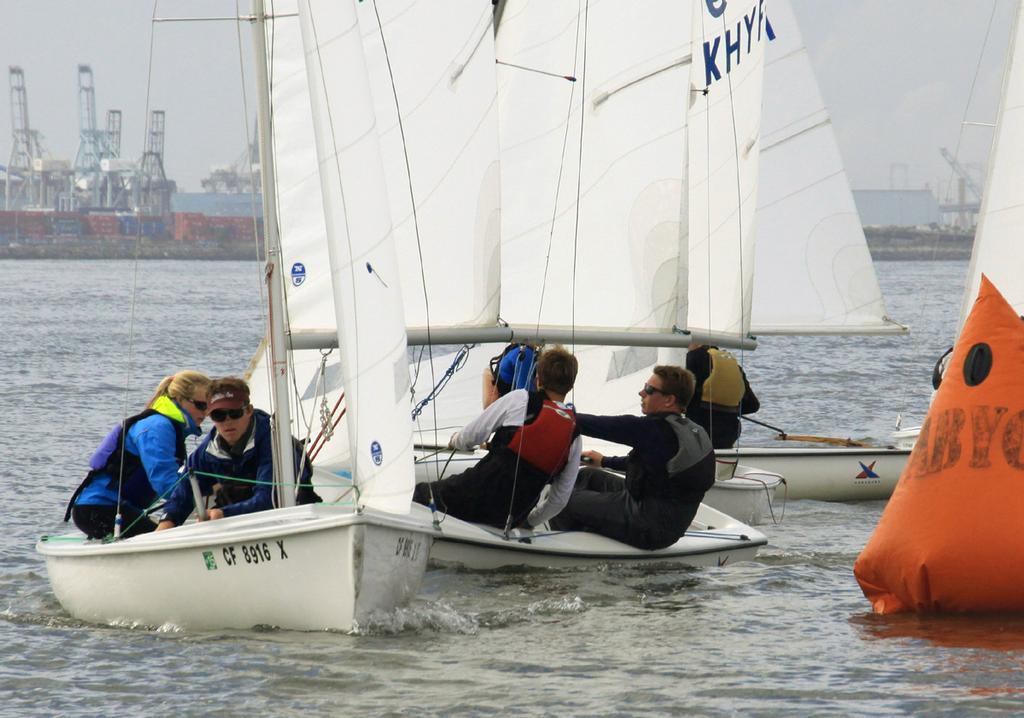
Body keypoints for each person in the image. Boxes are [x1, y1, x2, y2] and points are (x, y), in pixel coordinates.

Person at [415, 345, 581, 530]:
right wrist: (529, 521)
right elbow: (560, 499)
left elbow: (472, 436)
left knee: (420, 494)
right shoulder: (574, 435)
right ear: (570, 385)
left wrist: (455, 440)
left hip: (472, 495)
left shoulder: (520, 399)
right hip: (510, 517)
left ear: (538, 379)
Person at [550, 365, 715, 550]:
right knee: (586, 475)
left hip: (649, 526)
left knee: (561, 502)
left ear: (669, 400)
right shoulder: (686, 430)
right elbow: (650, 466)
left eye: (649, 390)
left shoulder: (654, 430)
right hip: (664, 517)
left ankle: (569, 551)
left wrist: (551, 412)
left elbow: (599, 425)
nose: (641, 393)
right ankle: (591, 526)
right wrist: (604, 461)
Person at [155, 376, 318, 530]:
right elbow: (182, 495)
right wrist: (165, 524)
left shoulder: (273, 442)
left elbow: (270, 499)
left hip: (293, 519)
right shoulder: (208, 451)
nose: (227, 422)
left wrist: (224, 514)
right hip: (235, 524)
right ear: (210, 416)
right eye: (219, 415)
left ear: (248, 410)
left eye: (234, 413)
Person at [65, 370, 211, 539]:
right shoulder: (158, 427)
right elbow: (165, 483)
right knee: (168, 537)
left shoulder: (168, 426)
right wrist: (205, 491)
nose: (206, 413)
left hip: (114, 508)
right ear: (179, 399)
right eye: (201, 405)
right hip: (100, 509)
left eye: (209, 406)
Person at [685, 343, 759, 449]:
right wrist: (728, 409)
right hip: (729, 434)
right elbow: (753, 405)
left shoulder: (694, 357)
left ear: (696, 342)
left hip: (699, 433)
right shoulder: (732, 364)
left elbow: (680, 397)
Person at [482, 342, 539, 409]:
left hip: (500, 407)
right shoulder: (524, 354)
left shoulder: (517, 350)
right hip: (505, 409)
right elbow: (526, 397)